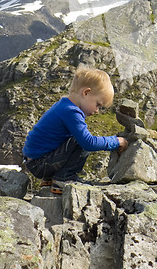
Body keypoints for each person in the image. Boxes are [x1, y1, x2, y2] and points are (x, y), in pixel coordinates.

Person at [22, 65, 128, 194]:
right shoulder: (71, 112)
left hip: (36, 162)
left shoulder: (63, 105)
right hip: (40, 164)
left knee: (74, 137)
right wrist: (115, 142)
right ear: (86, 92)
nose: (97, 111)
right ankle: (64, 178)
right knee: (81, 141)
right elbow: (89, 143)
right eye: (98, 105)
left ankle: (50, 179)